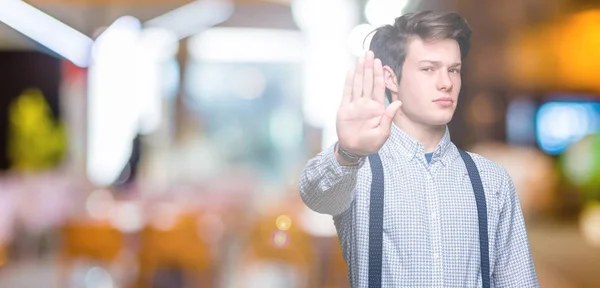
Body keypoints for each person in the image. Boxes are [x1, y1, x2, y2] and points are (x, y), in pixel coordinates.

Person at [299, 10, 539, 287]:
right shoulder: (357, 170)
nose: (446, 82)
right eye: (428, 69)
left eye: (453, 70)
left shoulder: (491, 180)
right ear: (390, 79)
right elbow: (316, 196)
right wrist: (347, 153)